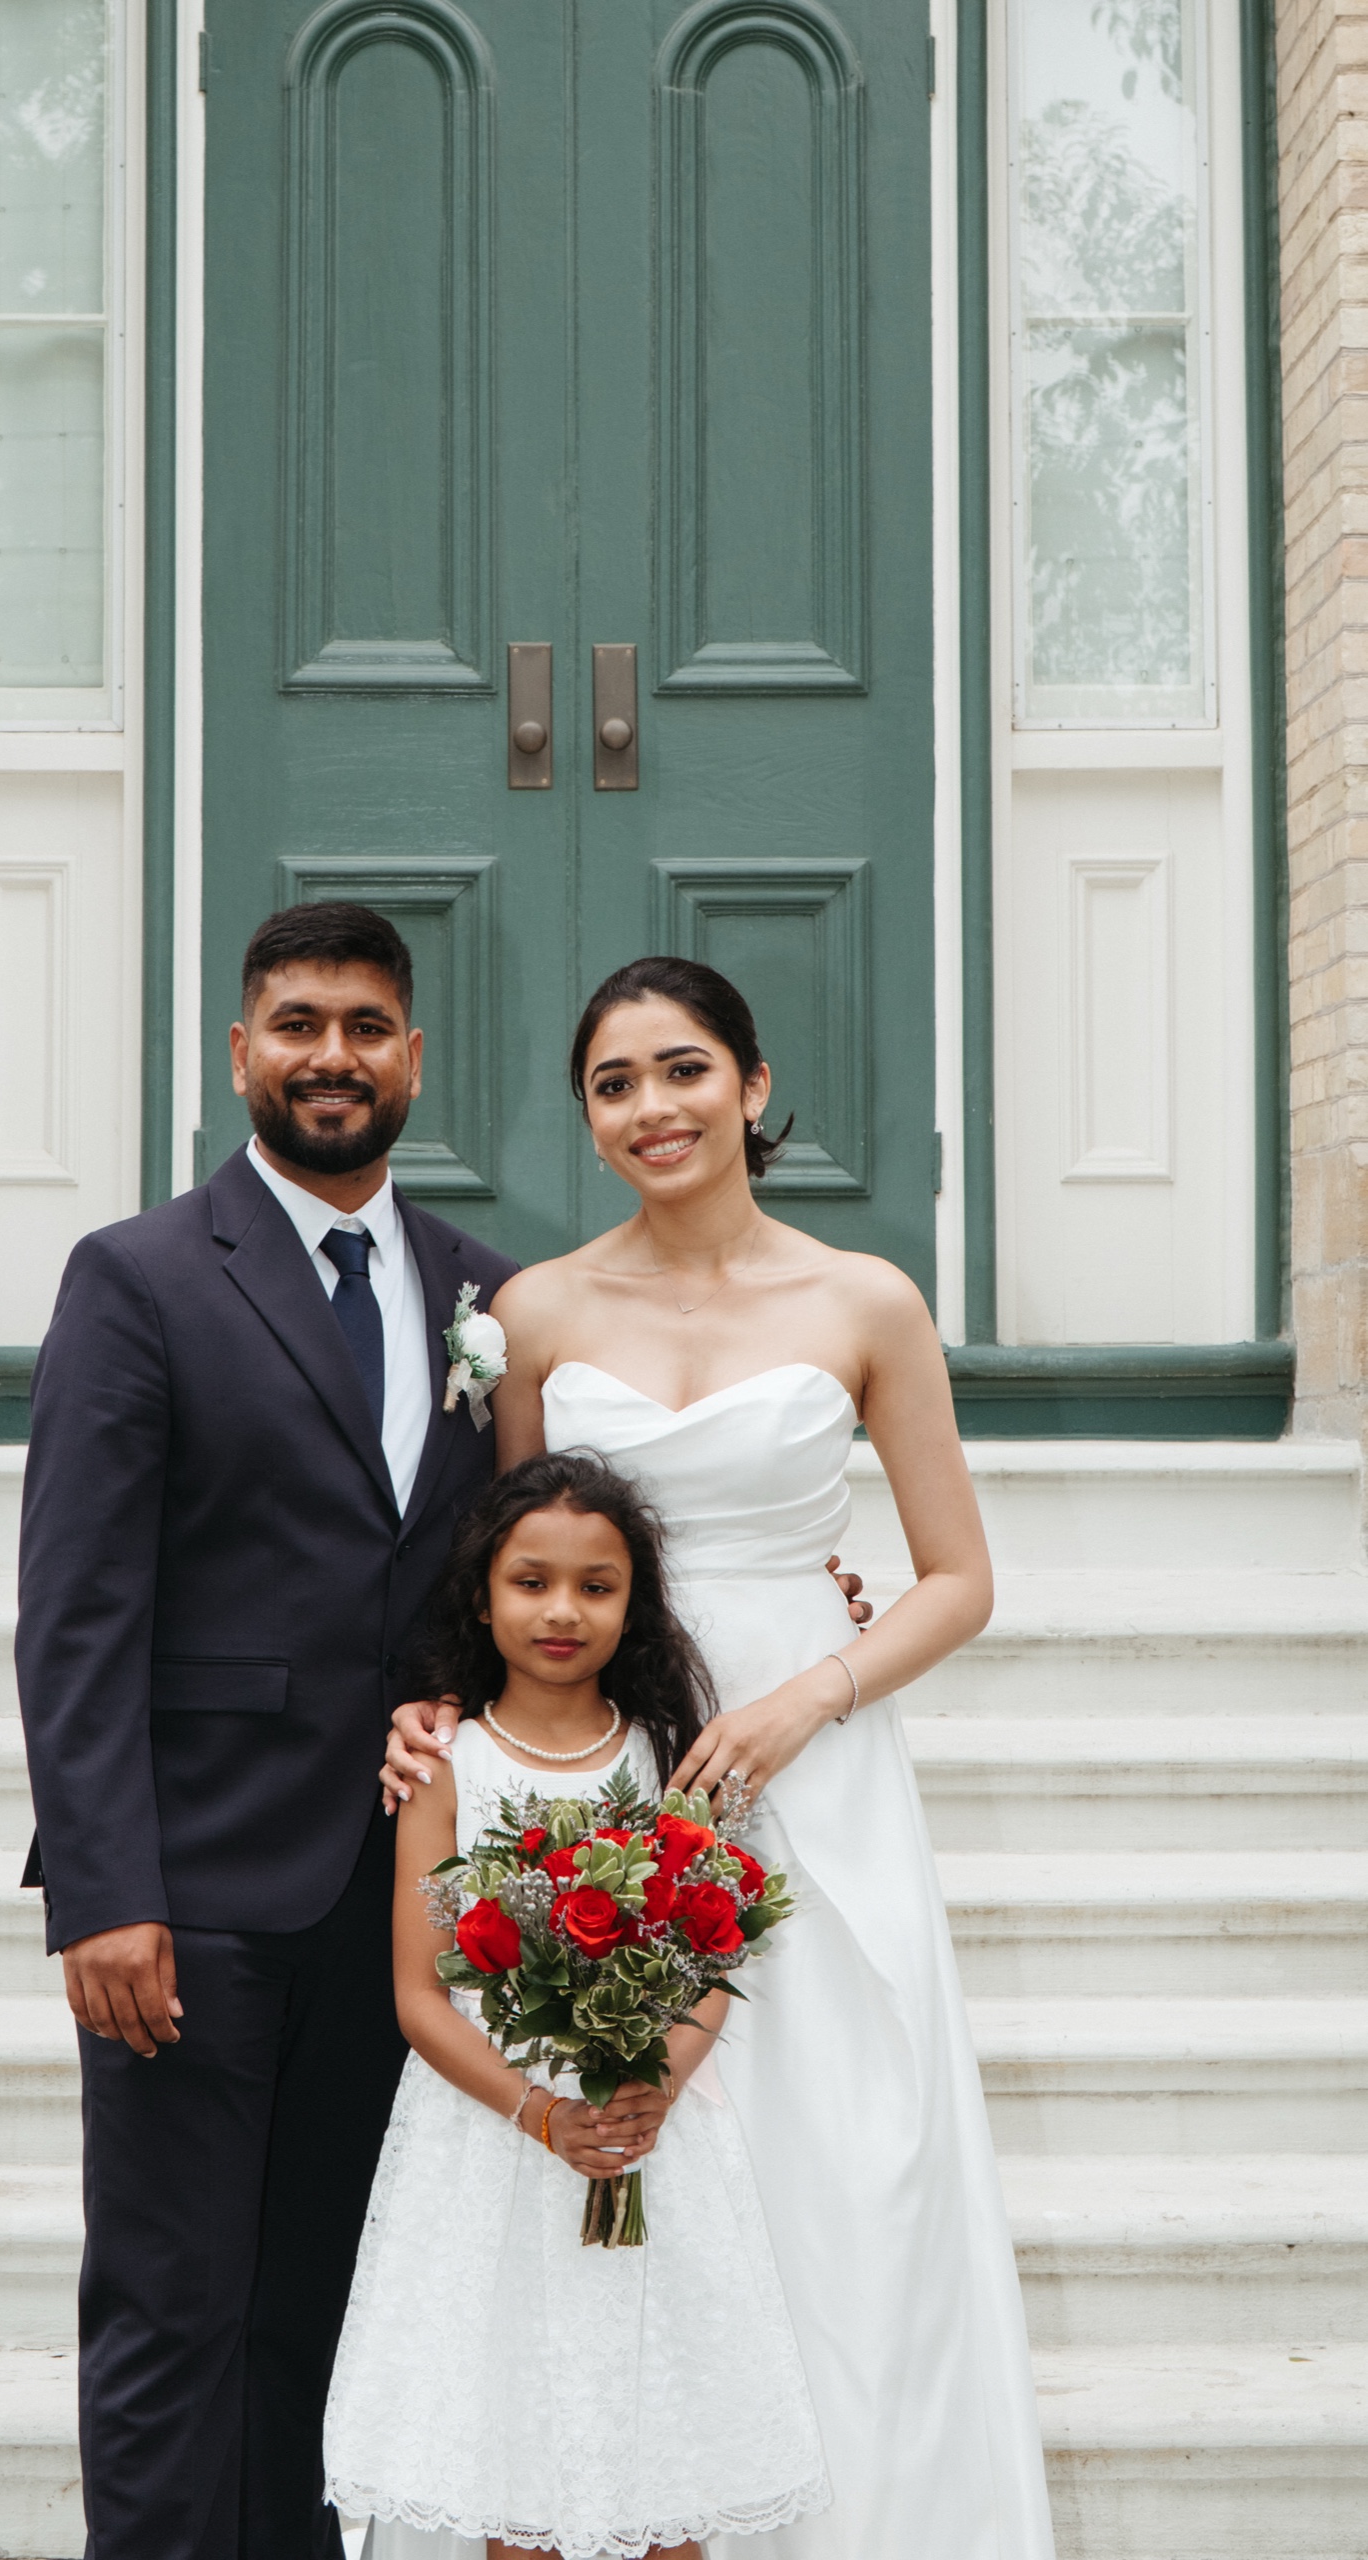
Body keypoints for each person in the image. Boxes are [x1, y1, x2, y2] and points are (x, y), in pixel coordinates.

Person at [385, 956, 1057, 2560]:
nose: (651, 1108)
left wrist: (815, 1691)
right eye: (612, 1084)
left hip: (808, 1767)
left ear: (751, 1087)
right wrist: (437, 1714)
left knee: (843, 2152)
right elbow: (512, 1564)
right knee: (639, 2149)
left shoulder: (865, 1302)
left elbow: (958, 1578)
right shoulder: (532, 1315)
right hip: (607, 1765)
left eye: (682, 1069)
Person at [15, 903, 522, 2560]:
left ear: (413, 1058)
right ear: (241, 1054)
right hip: (193, 1889)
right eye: (298, 1025)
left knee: (321, 2305)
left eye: (366, 1027)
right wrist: (102, 1890)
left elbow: (506, 1564)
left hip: (395, 1898)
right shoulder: (138, 1276)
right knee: (172, 2307)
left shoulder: (481, 1292)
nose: (332, 1057)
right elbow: (77, 1608)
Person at [326, 1451, 830, 2560]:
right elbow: (419, 1995)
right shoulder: (445, 1763)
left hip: (649, 2137)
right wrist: (544, 2113)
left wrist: (655, 2081)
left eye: (596, 1586)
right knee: (518, 2461)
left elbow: (709, 1948)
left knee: (667, 2457)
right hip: (494, 2141)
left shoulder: (668, 1758)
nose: (562, 1610)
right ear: (481, 1595)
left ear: (633, 1604)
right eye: (531, 1581)